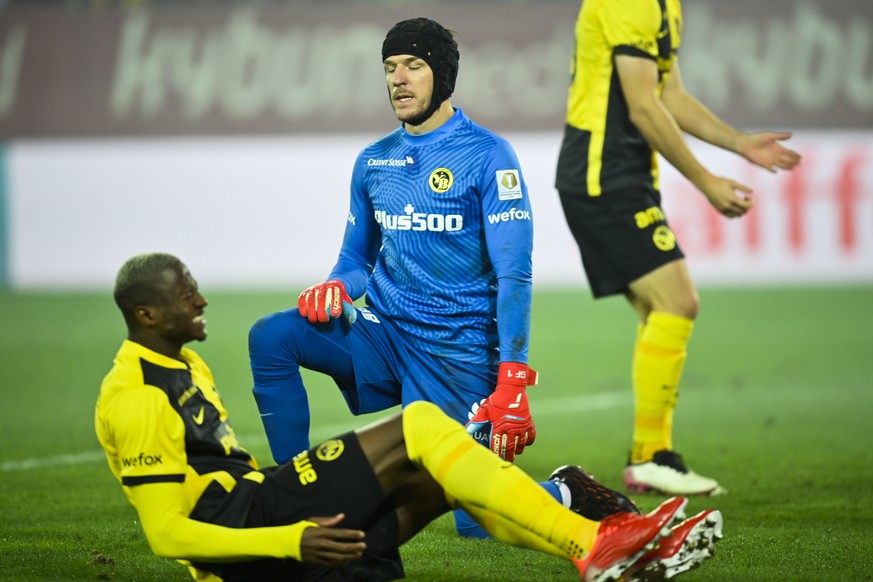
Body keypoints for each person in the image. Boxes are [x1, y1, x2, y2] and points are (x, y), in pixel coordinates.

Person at [95, 252, 723, 582]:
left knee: (444, 481)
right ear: (147, 316)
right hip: (257, 533)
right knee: (421, 425)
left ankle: (617, 558)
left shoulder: (183, 366)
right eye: (185, 296)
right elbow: (167, 536)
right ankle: (595, 542)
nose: (201, 300)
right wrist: (290, 538)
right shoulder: (138, 396)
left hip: (265, 517)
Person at [248, 17, 548, 538]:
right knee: (272, 337)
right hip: (385, 337)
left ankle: (568, 491)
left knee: (475, 521)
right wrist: (336, 288)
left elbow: (514, 275)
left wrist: (513, 378)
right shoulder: (373, 161)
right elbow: (355, 261)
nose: (399, 79)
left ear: (443, 76)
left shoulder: (488, 155)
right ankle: (290, 492)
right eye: (390, 68)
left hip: (459, 356)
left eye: (413, 66)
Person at [554, 0, 802, 496]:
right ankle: (651, 455)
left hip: (623, 174)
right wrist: (705, 180)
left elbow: (670, 93)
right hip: (601, 174)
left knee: (661, 311)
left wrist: (740, 143)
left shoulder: (665, 5)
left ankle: (651, 455)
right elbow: (643, 106)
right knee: (677, 300)